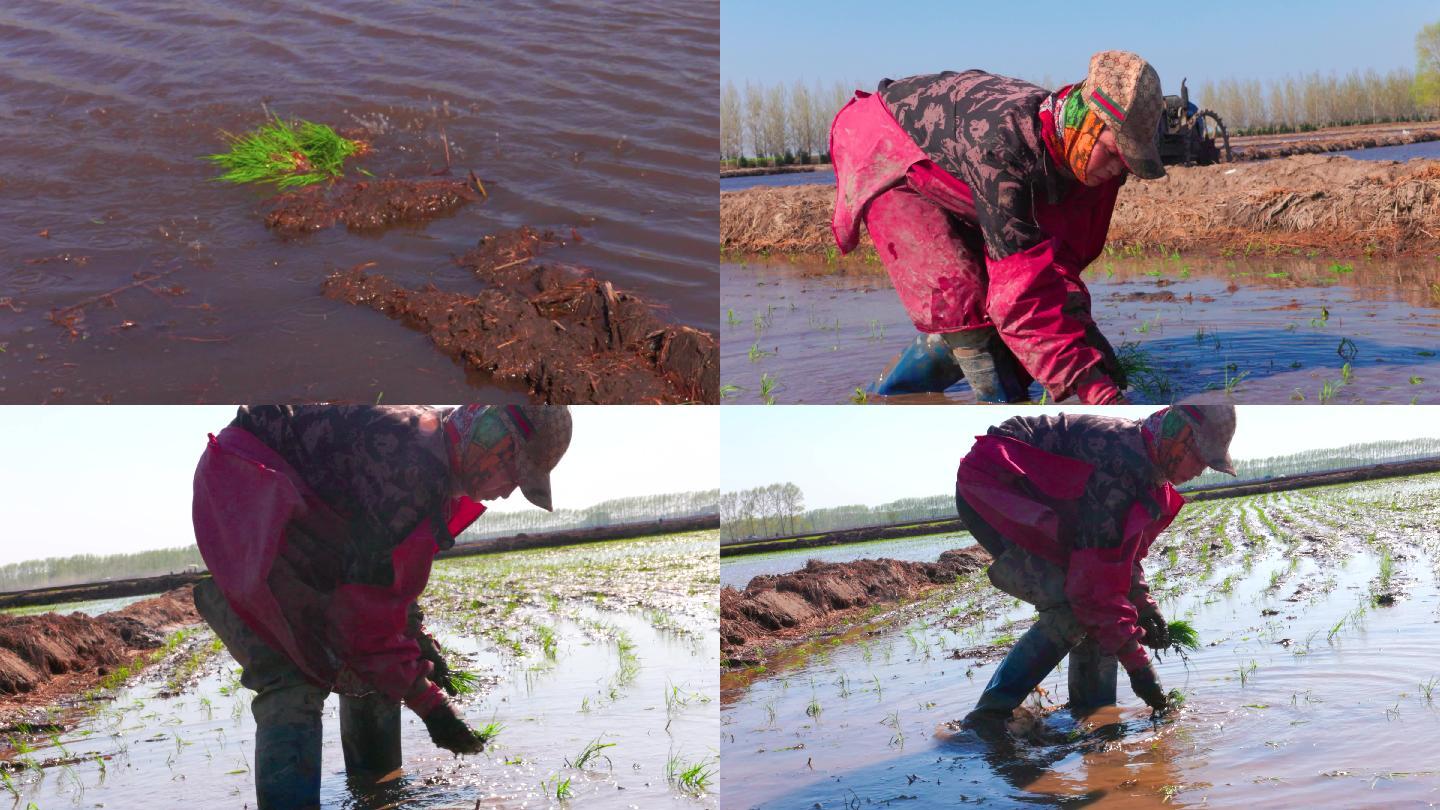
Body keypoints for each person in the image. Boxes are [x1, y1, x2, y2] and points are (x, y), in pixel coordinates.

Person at [191, 404, 571, 810]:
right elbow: (361, 614)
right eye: (514, 473)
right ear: (491, 441)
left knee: (376, 662)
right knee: (292, 672)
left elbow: (382, 571)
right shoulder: (413, 465)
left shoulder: (432, 459)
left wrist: (412, 636)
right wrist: (431, 705)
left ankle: (375, 795)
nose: (509, 490)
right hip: (253, 489)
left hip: (303, 508)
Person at [830, 51, 1169, 403]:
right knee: (963, 305)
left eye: (1128, 162)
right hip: (889, 147)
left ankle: (901, 398)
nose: (1118, 169)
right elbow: (1019, 298)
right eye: (1114, 152)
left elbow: (1053, 263)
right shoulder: (1006, 144)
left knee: (1009, 313)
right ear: (1085, 126)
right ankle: (886, 401)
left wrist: (1082, 331)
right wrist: (1092, 388)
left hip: (958, 165)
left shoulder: (1077, 159)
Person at [952, 402, 1236, 734]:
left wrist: (1143, 605)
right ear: (1179, 438)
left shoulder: (1148, 464)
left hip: (1051, 498)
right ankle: (988, 717)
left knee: (1101, 609)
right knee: (1071, 605)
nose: (1201, 470)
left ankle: (1094, 712)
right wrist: (1141, 670)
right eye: (1201, 458)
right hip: (1000, 486)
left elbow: (1117, 555)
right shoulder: (1117, 467)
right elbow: (1092, 587)